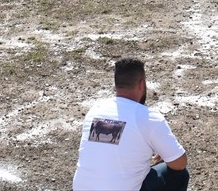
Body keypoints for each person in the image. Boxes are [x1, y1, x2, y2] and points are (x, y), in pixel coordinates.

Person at [72, 58, 189, 191]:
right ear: (141, 84)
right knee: (180, 174)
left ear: (116, 85)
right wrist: (167, 153)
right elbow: (179, 163)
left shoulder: (96, 109)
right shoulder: (148, 117)